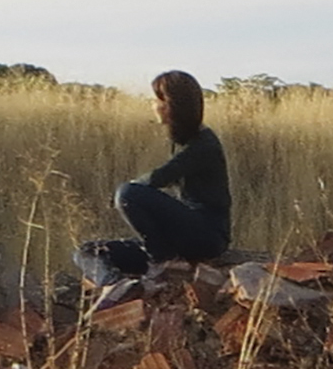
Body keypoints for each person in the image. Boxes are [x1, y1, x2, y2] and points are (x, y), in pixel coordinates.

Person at [87, 71, 230, 279]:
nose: (152, 104)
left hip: (208, 235)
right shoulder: (183, 139)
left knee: (128, 193)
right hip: (183, 231)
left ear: (171, 106)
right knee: (89, 251)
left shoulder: (204, 144)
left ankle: (162, 260)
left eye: (157, 99)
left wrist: (129, 190)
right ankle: (113, 287)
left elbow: (159, 178)